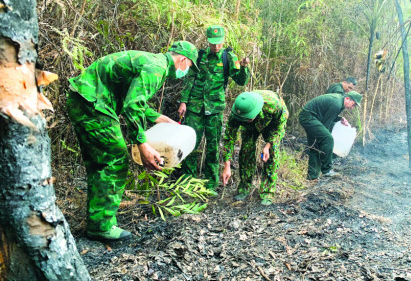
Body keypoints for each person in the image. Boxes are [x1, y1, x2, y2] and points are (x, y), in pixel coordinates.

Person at [66, 41, 198, 241]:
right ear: (183, 60)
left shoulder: (154, 62)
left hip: (83, 99)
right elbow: (132, 106)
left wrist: (160, 118)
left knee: (100, 163)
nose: (186, 71)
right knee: (116, 160)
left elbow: (133, 100)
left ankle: (97, 222)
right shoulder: (157, 69)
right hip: (94, 105)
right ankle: (101, 226)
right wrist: (142, 144)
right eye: (188, 66)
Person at [178, 25, 250, 195]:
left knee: (213, 146)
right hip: (195, 107)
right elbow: (190, 79)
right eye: (212, 43)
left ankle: (211, 184)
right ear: (207, 41)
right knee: (190, 144)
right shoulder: (200, 56)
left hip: (215, 109)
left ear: (223, 40)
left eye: (218, 43)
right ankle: (187, 183)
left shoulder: (228, 57)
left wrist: (244, 66)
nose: (216, 46)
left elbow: (240, 81)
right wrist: (183, 102)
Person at [221, 90, 288, 206]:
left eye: (248, 118)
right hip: (250, 129)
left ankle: (267, 192)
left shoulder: (273, 104)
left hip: (271, 123)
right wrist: (227, 165)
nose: (245, 120)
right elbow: (229, 139)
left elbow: (280, 127)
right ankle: (244, 188)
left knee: (272, 153)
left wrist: (268, 145)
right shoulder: (237, 113)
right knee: (246, 151)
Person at [299, 91, 362, 180]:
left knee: (315, 147)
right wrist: (326, 142)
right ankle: (327, 170)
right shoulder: (337, 104)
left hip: (311, 117)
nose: (353, 107)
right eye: (353, 104)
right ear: (347, 99)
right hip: (309, 118)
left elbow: (327, 114)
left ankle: (312, 177)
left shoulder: (339, 102)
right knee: (328, 138)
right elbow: (326, 123)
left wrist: (340, 118)